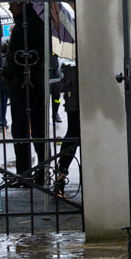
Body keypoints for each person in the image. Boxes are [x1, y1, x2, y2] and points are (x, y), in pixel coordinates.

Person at [4, 0, 49, 185]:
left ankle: (27, 173)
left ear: (22, 3)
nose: (9, 7)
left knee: (24, 127)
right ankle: (40, 170)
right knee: (37, 128)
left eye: (12, 2)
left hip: (27, 84)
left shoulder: (28, 24)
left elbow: (29, 54)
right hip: (30, 82)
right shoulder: (31, 22)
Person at [53, 60, 80, 201]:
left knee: (72, 136)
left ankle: (60, 177)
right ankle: (60, 177)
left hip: (75, 97)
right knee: (73, 136)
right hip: (77, 97)